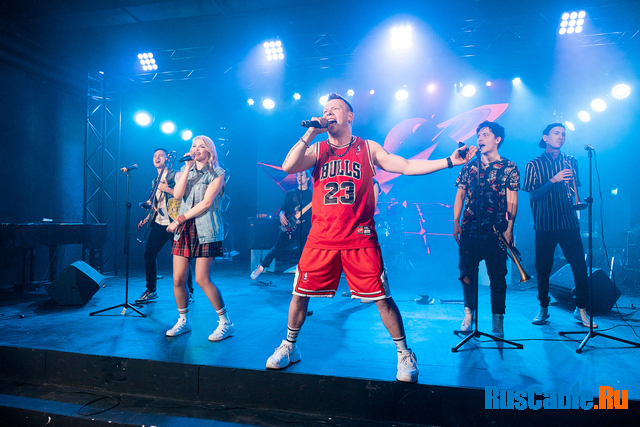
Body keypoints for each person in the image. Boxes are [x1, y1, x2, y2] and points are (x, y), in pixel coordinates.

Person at [265, 93, 476, 383]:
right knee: (299, 294)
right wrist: (311, 132)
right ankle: (289, 346)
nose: (328, 113)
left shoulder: (367, 148)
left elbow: (406, 166)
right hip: (321, 237)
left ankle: (404, 353)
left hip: (359, 236)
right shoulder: (318, 148)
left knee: (382, 298)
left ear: (349, 116)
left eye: (335, 109)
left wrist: (449, 161)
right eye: (325, 110)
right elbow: (289, 166)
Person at [523, 123, 597, 328]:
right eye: (556, 133)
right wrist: (553, 180)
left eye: (563, 134)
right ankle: (543, 308)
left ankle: (581, 309)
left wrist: (573, 193)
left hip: (568, 221)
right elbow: (533, 195)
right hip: (545, 223)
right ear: (545, 137)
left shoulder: (571, 160)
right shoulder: (533, 164)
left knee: (579, 266)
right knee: (543, 268)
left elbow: (574, 189)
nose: (561, 137)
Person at [453, 121, 520, 338]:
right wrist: (456, 222)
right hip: (470, 228)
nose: (479, 139)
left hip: (496, 230)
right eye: (478, 135)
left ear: (497, 139)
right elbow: (460, 195)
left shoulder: (509, 167)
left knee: (498, 276)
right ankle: (468, 314)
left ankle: (497, 319)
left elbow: (512, 199)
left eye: (485, 134)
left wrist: (510, 228)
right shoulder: (469, 166)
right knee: (467, 273)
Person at [165, 135, 236, 340]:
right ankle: (183, 321)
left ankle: (226, 323)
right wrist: (187, 167)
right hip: (185, 230)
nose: (196, 149)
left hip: (206, 229)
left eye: (201, 146)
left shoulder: (217, 173)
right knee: (178, 279)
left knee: (202, 279)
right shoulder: (184, 171)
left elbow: (206, 203)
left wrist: (178, 220)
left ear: (209, 151)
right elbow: (177, 195)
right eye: (193, 146)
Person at [136, 148, 194, 305]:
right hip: (158, 223)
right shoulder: (155, 180)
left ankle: (189, 292)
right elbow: (156, 202)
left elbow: (183, 195)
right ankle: (151, 290)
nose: (157, 158)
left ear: (167, 159)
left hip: (174, 223)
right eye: (155, 156)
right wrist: (147, 218)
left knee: (183, 258)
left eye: (160, 155)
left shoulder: (176, 175)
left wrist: (166, 188)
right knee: (149, 254)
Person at [250, 170, 312, 280]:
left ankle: (305, 271)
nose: (299, 177)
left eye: (302, 175)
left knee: (307, 249)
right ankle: (261, 267)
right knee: (277, 249)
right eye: (297, 175)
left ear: (308, 178)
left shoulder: (312, 195)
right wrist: (281, 214)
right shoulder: (291, 193)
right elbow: (284, 208)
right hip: (289, 226)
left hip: (304, 227)